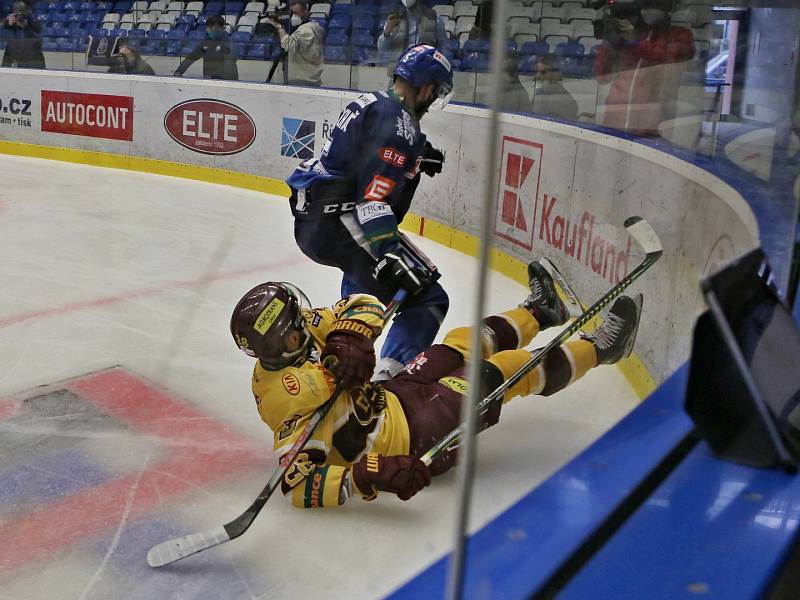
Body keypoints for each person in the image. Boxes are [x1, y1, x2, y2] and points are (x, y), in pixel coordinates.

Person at [229, 261, 644, 507]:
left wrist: (350, 333)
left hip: (394, 396)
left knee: (462, 344)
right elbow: (298, 485)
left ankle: (541, 311)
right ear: (280, 348)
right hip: (418, 436)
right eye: (294, 329)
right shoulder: (285, 395)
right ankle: (601, 348)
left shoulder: (301, 332)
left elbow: (363, 304)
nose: (306, 322)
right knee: (500, 373)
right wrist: (366, 475)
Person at [286, 44, 451, 381]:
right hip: (341, 220)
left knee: (366, 287)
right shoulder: (398, 127)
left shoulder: (377, 102)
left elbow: (366, 153)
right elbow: (372, 200)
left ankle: (330, 363)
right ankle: (382, 379)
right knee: (427, 295)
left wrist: (417, 157)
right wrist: (389, 251)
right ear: (429, 89)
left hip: (320, 217)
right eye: (435, 95)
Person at [593, 0, 694, 136]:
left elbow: (666, 57)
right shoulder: (627, 38)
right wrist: (610, 42)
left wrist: (635, 40)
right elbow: (602, 76)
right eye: (644, 6)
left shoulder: (680, 35)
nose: (647, 11)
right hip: (615, 120)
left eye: (655, 5)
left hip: (651, 123)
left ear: (670, 9)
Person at [264, 0, 324, 86]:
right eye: (292, 13)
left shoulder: (306, 30)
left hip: (304, 80)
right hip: (304, 78)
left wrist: (280, 28)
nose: (294, 17)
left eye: (296, 13)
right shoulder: (307, 28)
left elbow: (287, 45)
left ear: (306, 12)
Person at [377, 0, 446, 66]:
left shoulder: (435, 19)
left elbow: (443, 47)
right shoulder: (394, 19)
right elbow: (383, 48)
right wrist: (386, 33)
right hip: (400, 70)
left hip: (425, 70)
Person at [173, 14, 238, 81]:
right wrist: (179, 71)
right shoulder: (206, 41)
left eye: (215, 28)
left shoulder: (227, 42)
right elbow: (192, 57)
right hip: (209, 80)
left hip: (227, 80)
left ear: (221, 28)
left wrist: (213, 75)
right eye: (209, 27)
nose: (211, 30)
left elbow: (231, 59)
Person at [531, 55, 580, 121]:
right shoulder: (539, 92)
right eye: (536, 72)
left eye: (543, 72)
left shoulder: (564, 99)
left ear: (554, 73)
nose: (537, 76)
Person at [1, 1, 45, 70]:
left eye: (21, 16)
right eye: (17, 16)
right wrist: (8, 23)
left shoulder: (33, 26)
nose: (19, 18)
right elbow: (5, 67)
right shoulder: (11, 32)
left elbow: (40, 67)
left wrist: (27, 23)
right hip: (15, 46)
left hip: (30, 50)